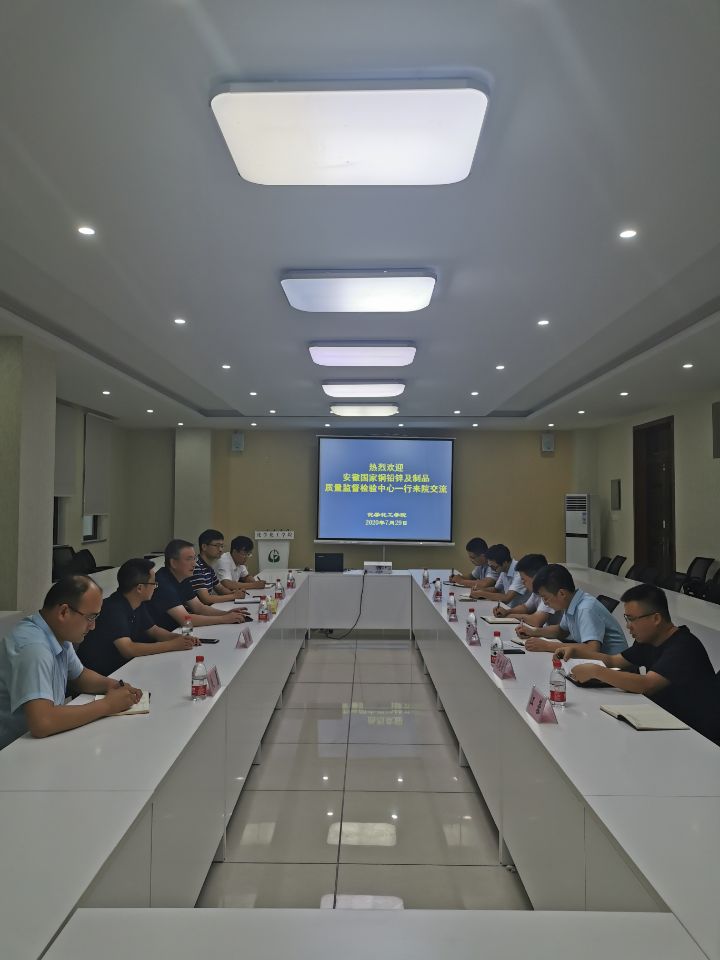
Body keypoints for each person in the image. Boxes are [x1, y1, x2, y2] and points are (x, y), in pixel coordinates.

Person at [561, 583, 720, 745]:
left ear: (656, 618)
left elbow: (646, 685)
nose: (628, 626)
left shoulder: (684, 646)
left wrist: (596, 671)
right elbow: (613, 660)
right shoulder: (648, 640)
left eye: (631, 619)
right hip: (664, 719)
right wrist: (575, 651)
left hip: (698, 735)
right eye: (626, 619)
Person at [0, 576, 141, 750]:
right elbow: (42, 722)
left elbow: (80, 676)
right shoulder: (33, 648)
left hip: (38, 744)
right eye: (90, 617)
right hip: (12, 751)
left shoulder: (57, 633)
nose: (93, 626)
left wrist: (113, 685)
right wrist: (108, 705)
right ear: (64, 612)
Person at [78, 558, 201, 676]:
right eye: (153, 583)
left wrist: (180, 639)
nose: (155, 587)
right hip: (105, 674)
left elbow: (154, 631)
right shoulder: (113, 609)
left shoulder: (137, 603)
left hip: (125, 668)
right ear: (140, 588)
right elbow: (128, 649)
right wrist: (172, 645)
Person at [516, 563, 627, 655]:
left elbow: (592, 649)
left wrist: (547, 645)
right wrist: (534, 632)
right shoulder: (571, 601)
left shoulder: (585, 608)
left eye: (545, 597)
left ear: (562, 593)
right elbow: (561, 631)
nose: (544, 602)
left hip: (616, 668)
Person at [149, 539, 250, 632]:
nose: (195, 564)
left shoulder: (182, 577)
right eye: (189, 559)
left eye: (194, 559)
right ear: (173, 563)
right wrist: (223, 619)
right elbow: (186, 619)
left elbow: (199, 608)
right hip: (163, 637)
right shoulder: (163, 583)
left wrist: (227, 613)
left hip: (179, 630)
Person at [492, 554, 554, 627]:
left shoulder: (550, 591)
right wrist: (507, 611)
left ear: (536, 577)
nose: (523, 583)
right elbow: (526, 607)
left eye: (523, 579)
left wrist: (510, 616)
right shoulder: (536, 592)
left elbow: (536, 621)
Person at [191, 530, 247, 605]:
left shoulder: (209, 566)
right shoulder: (196, 567)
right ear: (204, 547)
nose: (220, 550)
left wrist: (233, 593)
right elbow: (206, 599)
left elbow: (220, 588)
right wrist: (233, 596)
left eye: (222, 546)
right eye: (216, 546)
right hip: (197, 611)